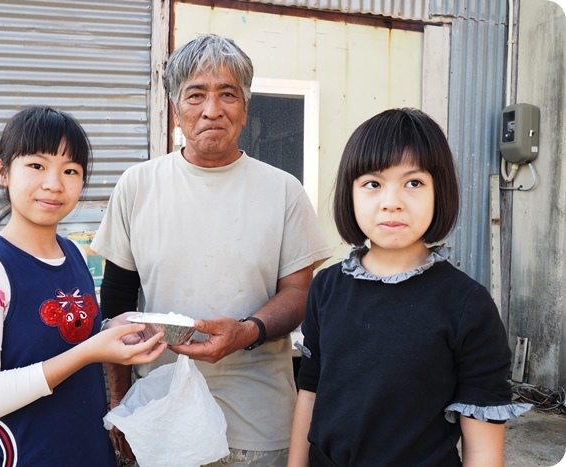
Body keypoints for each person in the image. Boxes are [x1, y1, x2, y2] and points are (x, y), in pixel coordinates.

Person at [91, 34, 332, 466]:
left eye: (228, 94)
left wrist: (247, 332)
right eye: (196, 94)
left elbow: (298, 296)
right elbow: (117, 306)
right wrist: (122, 409)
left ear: (246, 107)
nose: (212, 110)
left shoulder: (283, 192)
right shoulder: (138, 186)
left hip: (260, 423)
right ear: (175, 108)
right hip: (165, 415)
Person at [288, 108, 532, 467]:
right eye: (373, 183)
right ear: (350, 194)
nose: (392, 201)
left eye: (414, 183)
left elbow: (482, 449)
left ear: (440, 192)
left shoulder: (466, 305)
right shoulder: (326, 287)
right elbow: (310, 393)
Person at [0, 106, 167, 467]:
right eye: (37, 166)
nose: (54, 183)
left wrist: (113, 328)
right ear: (3, 171)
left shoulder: (75, 254)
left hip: (85, 453)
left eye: (70, 171)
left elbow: (67, 335)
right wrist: (92, 351)